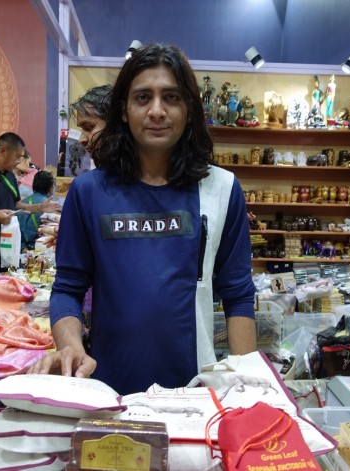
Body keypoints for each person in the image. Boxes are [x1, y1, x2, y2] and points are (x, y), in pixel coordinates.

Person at [30, 43, 257, 395]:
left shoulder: (222, 188)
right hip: (106, 392)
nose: (157, 111)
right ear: (123, 110)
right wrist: (71, 347)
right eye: (142, 98)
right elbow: (67, 288)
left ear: (189, 108)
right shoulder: (88, 192)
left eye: (171, 97)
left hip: (195, 392)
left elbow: (238, 294)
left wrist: (249, 387)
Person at [0, 132, 61, 274]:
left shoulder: (10, 176)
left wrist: (39, 207)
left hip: (8, 245)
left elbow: (15, 205)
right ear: (2, 150)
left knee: (6, 282)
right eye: (17, 157)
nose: (19, 162)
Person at [19, 170, 55, 248]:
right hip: (44, 246)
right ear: (50, 187)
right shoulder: (51, 206)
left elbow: (18, 228)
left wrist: (23, 247)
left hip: (24, 247)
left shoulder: (23, 203)